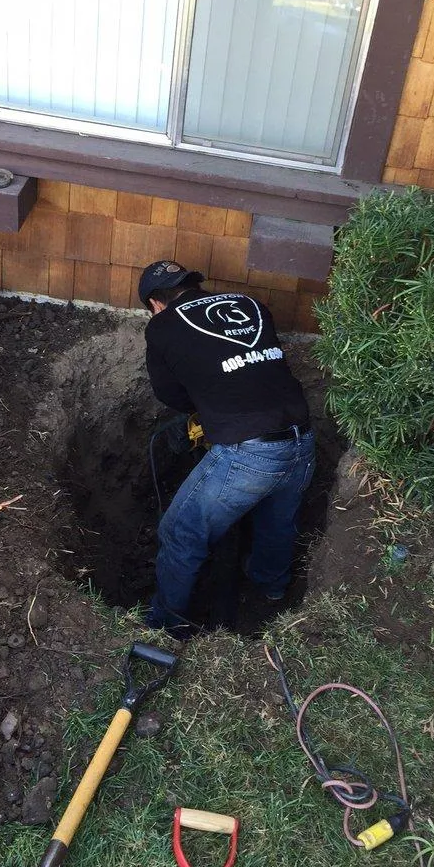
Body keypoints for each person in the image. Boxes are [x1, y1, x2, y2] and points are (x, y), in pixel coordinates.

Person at [139, 260, 315, 635]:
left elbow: (169, 392)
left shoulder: (163, 326)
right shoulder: (249, 305)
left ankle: (165, 624)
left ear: (155, 302)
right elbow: (252, 368)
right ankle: (270, 588)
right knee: (276, 519)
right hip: (302, 437)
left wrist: (205, 410)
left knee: (181, 533)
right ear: (193, 286)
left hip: (249, 453)